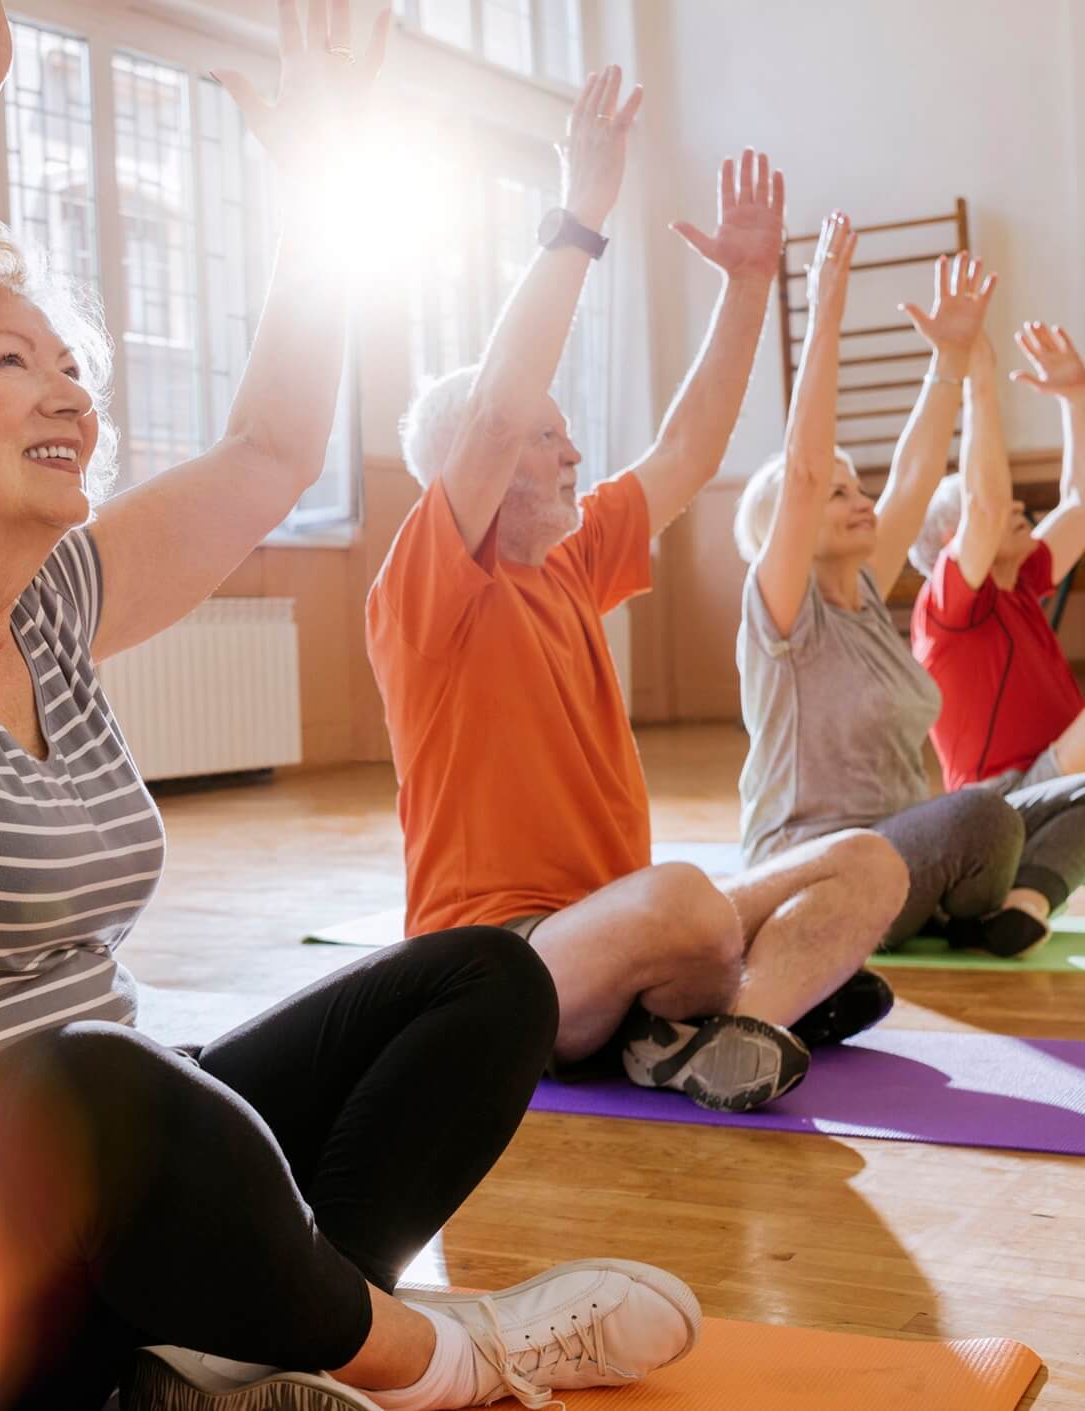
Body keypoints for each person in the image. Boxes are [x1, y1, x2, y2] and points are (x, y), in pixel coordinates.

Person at [0, 4, 702, 1409]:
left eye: (76, 369)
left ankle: (230, 1365)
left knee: (489, 980)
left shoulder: (55, 609)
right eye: (14, 362)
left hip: (97, 1221)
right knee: (100, 1086)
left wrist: (314, 181)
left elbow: (275, 443)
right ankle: (445, 1359)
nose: (72, 392)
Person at [367, 85, 908, 1118]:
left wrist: (750, 284)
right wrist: (579, 215)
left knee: (863, 865)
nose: (571, 450)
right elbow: (489, 409)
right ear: (472, 467)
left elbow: (686, 450)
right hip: (501, 964)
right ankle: (713, 1007)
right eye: (545, 436)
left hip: (619, 922)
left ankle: (729, 1026)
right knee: (685, 905)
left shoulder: (571, 560)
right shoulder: (428, 587)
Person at [735, 219, 1085, 959]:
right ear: (792, 523)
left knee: (1017, 809)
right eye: (836, 494)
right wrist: (826, 304)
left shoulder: (863, 590)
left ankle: (996, 906)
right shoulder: (782, 615)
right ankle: (948, 904)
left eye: (856, 486)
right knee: (981, 819)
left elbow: (917, 473)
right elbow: (800, 469)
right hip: (813, 868)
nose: (860, 499)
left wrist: (950, 362)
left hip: (904, 855)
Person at [909, 323, 1085, 788]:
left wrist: (1076, 399)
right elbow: (985, 506)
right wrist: (978, 378)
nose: (1016, 505)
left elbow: (1080, 504)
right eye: (1001, 501)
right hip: (1002, 800)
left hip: (1059, 775)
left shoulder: (1020, 579)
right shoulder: (946, 610)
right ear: (954, 537)